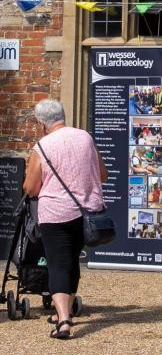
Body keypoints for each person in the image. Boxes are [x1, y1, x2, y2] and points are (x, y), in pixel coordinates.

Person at [22, 98, 106, 341]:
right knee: (71, 262)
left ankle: (64, 321)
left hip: (55, 213)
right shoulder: (85, 138)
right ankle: (63, 312)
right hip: (86, 212)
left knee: (57, 264)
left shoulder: (42, 146)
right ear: (63, 115)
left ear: (40, 123)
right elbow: (102, 174)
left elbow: (31, 186)